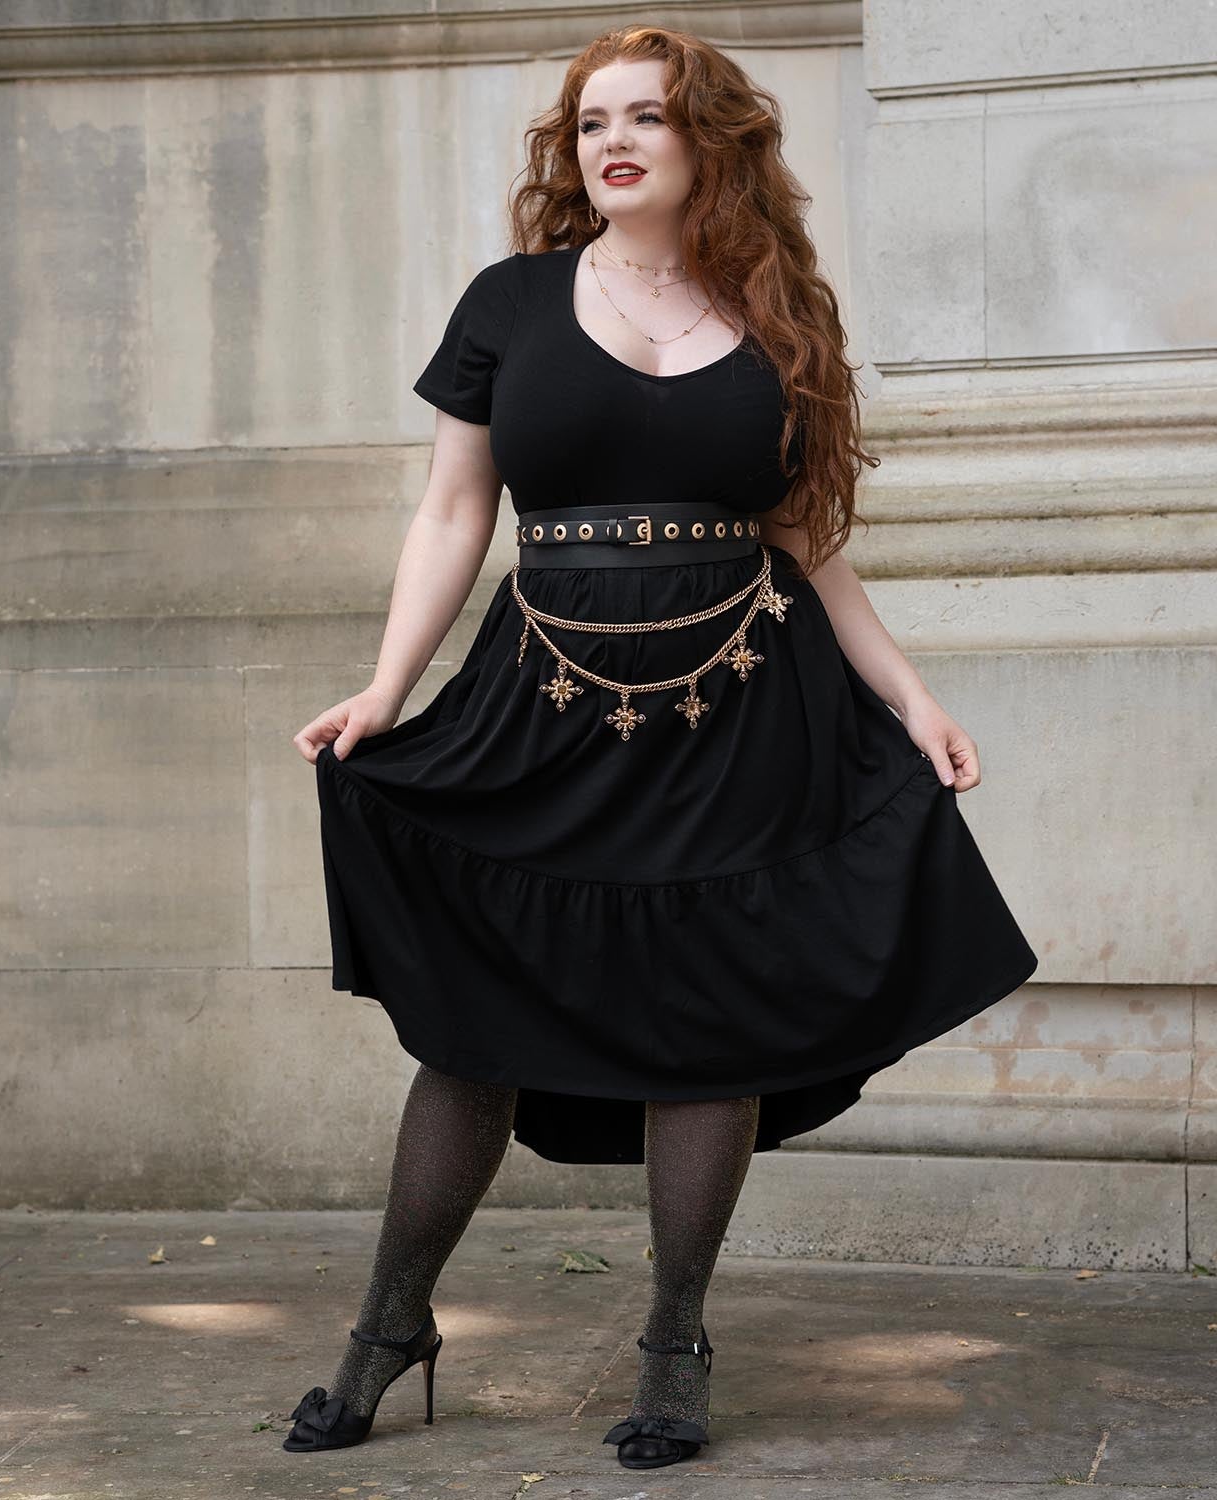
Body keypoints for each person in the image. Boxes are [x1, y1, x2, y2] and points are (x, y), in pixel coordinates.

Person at [284, 23, 1039, 1472]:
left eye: (645, 116)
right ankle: (388, 1325)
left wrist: (912, 698)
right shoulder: (510, 301)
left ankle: (675, 1342)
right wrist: (385, 687)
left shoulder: (779, 312)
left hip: (743, 708)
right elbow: (454, 512)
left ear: (710, 140)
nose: (612, 142)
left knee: (712, 1023)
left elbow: (807, 543)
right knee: (476, 1024)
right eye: (590, 123)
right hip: (543, 700)